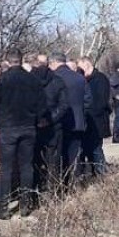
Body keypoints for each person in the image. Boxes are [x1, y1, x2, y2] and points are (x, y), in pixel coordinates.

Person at [0, 52, 47, 220]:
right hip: (28, 127)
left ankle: (4, 209)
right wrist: (37, 120)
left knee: (6, 169)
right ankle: (25, 205)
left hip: (7, 128)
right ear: (21, 62)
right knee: (26, 166)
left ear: (7, 61)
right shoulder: (33, 80)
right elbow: (42, 106)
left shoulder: (2, 80)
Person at [31, 55, 69, 195]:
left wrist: (36, 120)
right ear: (48, 64)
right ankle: (52, 194)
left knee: (34, 161)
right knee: (53, 163)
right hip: (54, 127)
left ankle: (34, 193)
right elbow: (64, 105)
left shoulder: (29, 80)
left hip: (34, 126)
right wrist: (51, 119)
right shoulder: (58, 80)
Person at [49, 53, 86, 190]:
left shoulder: (54, 78)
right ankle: (76, 184)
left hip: (60, 122)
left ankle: (61, 186)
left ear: (53, 63)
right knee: (75, 154)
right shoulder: (79, 78)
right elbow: (88, 100)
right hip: (78, 122)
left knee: (58, 157)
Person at [78, 57, 112, 178]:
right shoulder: (84, 79)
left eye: (80, 68)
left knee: (96, 149)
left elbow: (101, 102)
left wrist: (88, 111)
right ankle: (91, 174)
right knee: (87, 149)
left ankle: (101, 175)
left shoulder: (100, 79)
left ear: (87, 65)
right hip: (87, 121)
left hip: (97, 121)